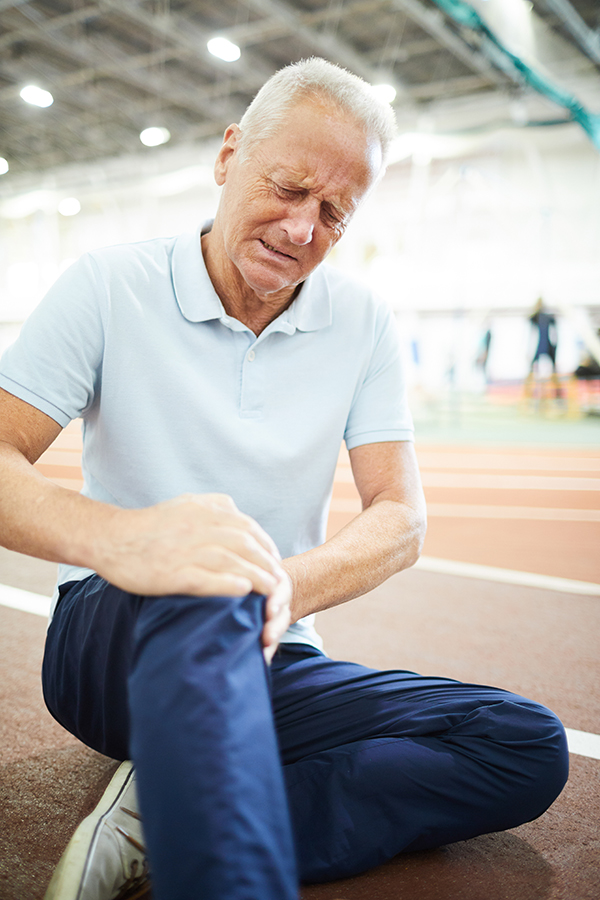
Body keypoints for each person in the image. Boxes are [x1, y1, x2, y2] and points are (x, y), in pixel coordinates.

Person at [0, 59, 568, 900]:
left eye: (335, 211)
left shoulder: (363, 322)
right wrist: (130, 541)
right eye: (291, 187)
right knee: (207, 576)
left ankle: (165, 811)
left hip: (269, 643)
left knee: (521, 744)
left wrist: (278, 590)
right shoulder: (108, 284)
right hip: (107, 631)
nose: (304, 229)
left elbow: (401, 518)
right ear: (229, 157)